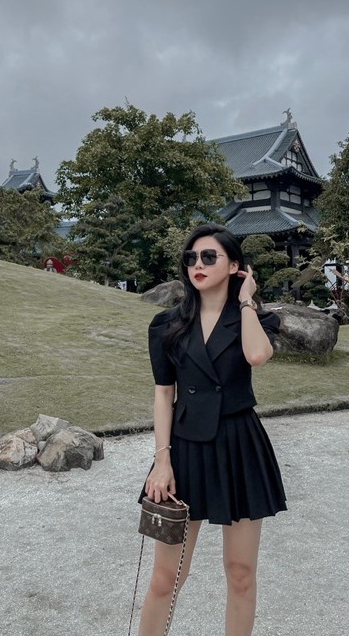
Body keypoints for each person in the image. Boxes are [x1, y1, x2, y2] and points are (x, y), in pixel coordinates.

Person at [136, 223, 287, 636]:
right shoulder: (167, 324)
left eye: (208, 257)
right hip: (185, 448)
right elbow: (163, 395)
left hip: (239, 446)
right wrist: (161, 462)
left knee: (241, 573)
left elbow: (257, 356)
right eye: (191, 258)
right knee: (166, 577)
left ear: (235, 265)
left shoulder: (253, 319)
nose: (197, 265)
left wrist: (246, 300)